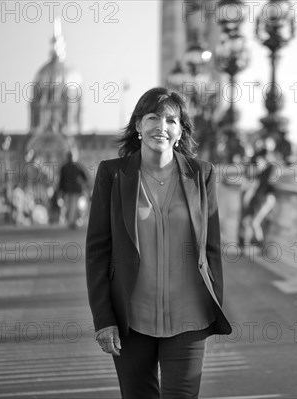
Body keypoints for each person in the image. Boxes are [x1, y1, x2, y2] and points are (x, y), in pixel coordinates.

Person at [85, 87, 231, 398]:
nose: (160, 127)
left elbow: (212, 246)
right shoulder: (112, 175)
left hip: (189, 317)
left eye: (170, 120)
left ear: (180, 130)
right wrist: (103, 319)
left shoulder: (201, 174)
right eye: (152, 117)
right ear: (138, 125)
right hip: (131, 319)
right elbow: (98, 252)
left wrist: (213, 301)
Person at [58, 150, 89, 228]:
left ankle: (71, 221)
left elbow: (61, 180)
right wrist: (84, 184)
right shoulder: (77, 165)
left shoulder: (64, 167)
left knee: (69, 205)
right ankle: (73, 221)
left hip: (68, 189)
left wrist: (60, 190)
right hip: (76, 189)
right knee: (73, 205)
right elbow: (85, 177)